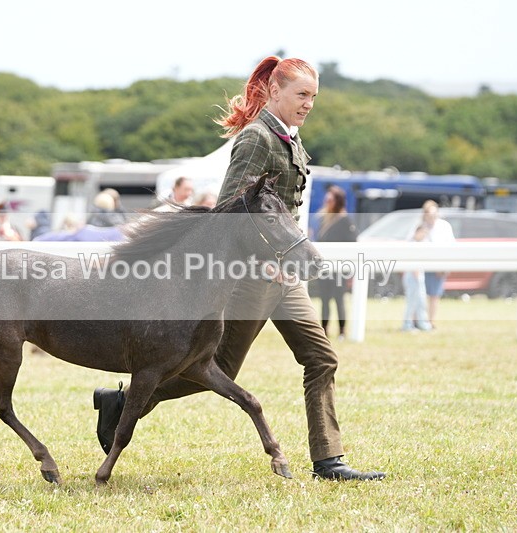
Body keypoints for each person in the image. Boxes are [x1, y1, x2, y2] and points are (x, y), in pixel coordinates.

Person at [93, 56, 384, 481]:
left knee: (321, 359)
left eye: (313, 97)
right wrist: (264, 265)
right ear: (274, 91)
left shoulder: (291, 139)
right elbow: (230, 214)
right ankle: (124, 404)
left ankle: (328, 460)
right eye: (302, 94)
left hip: (286, 277)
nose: (309, 104)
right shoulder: (256, 139)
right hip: (254, 277)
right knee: (219, 371)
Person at [312, 185, 357, 340]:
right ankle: (324, 330)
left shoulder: (345, 220)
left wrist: (350, 271)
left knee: (339, 299)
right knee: (324, 300)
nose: (327, 202)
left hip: (340, 269)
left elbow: (352, 244)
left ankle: (342, 331)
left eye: (330, 199)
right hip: (325, 268)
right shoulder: (324, 219)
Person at [420, 200, 455, 327]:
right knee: (420, 294)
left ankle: (431, 321)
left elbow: (450, 245)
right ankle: (420, 319)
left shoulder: (444, 226)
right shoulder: (420, 226)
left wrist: (444, 266)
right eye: (429, 214)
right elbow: (413, 242)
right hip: (422, 265)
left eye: (434, 214)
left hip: (438, 265)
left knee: (434, 295)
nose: (432, 217)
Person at [401, 224, 433, 331]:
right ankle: (407, 324)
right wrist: (416, 273)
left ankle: (421, 322)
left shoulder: (421, 244)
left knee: (420, 301)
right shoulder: (413, 244)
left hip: (418, 275)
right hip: (413, 276)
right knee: (412, 301)